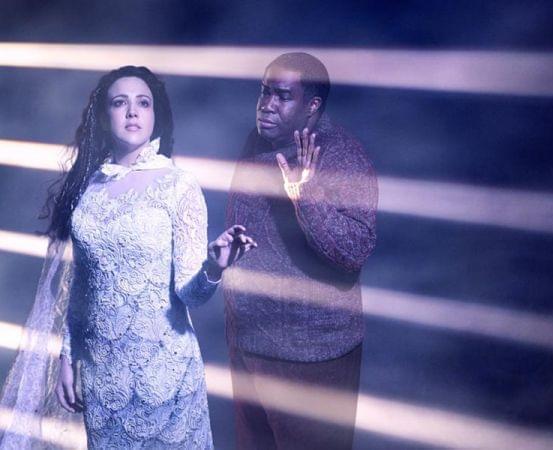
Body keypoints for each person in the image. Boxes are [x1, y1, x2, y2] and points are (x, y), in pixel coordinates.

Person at [0, 66, 256, 449]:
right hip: (103, 380)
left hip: (166, 378)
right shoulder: (89, 187)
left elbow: (192, 295)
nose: (132, 112)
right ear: (104, 117)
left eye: (143, 103)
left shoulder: (179, 185)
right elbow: (82, 288)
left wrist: (214, 267)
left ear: (155, 116)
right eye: (120, 103)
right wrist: (67, 358)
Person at [223, 52, 378, 449]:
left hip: (311, 361)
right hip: (249, 346)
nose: (266, 105)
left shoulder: (342, 155)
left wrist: (305, 197)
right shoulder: (256, 140)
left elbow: (354, 251)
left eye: (281, 96)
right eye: (264, 92)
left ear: (312, 106)